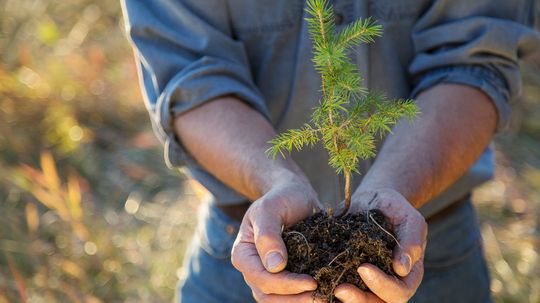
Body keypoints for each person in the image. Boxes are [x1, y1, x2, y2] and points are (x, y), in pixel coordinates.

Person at [121, 0, 540, 302]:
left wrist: (393, 190)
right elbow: (190, 77)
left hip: (426, 248)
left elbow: (474, 62)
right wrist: (276, 181)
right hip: (251, 247)